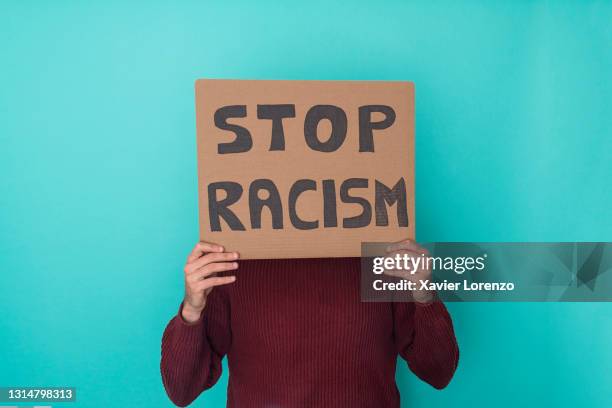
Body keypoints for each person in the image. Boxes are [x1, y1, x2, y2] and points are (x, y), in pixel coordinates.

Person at [161, 240, 459, 407]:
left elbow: (439, 372)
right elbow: (181, 389)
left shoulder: (380, 258)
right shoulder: (233, 262)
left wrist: (423, 293)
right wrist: (192, 308)